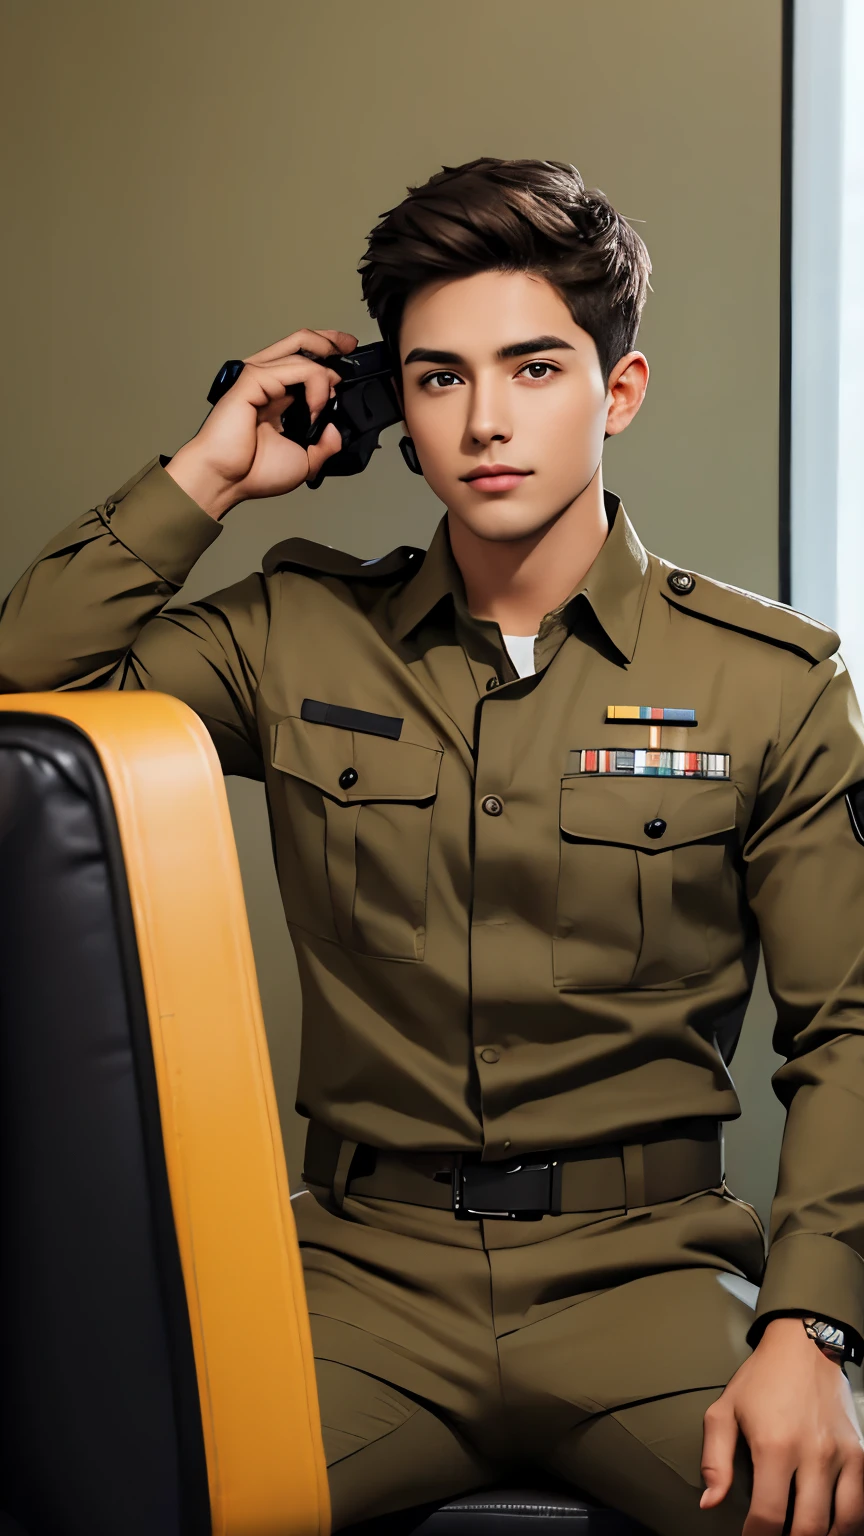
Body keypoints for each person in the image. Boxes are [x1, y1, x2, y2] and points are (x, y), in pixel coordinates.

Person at [2, 156, 864, 1536]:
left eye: (533, 368)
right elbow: (30, 681)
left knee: (819, 1509)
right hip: (356, 1281)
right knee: (109, 1496)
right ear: (394, 407)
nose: (485, 421)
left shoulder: (773, 681)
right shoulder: (289, 636)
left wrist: (812, 1329)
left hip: (642, 1273)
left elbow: (851, 1028)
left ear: (616, 393)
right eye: (440, 378)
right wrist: (211, 470)